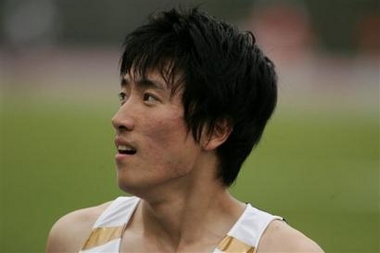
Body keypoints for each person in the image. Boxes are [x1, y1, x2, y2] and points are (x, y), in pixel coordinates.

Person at [46, 7, 324, 253]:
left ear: (215, 130)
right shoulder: (74, 239)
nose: (120, 118)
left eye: (149, 98)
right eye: (124, 95)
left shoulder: (282, 249)